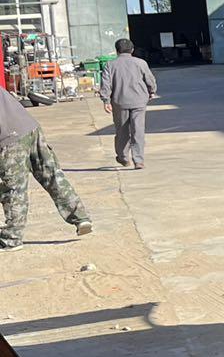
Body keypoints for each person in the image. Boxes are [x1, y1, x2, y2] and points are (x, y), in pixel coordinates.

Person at [0, 84, 93, 249]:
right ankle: (80, 217)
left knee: (13, 188)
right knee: (51, 175)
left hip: (9, 137)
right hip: (31, 127)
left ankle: (11, 238)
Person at [98, 39, 157, 169]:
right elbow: (150, 79)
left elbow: (106, 84)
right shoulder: (141, 63)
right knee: (138, 131)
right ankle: (139, 160)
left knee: (122, 131)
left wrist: (106, 100)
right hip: (139, 101)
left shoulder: (110, 65)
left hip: (119, 102)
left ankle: (123, 157)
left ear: (117, 50)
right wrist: (152, 91)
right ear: (132, 50)